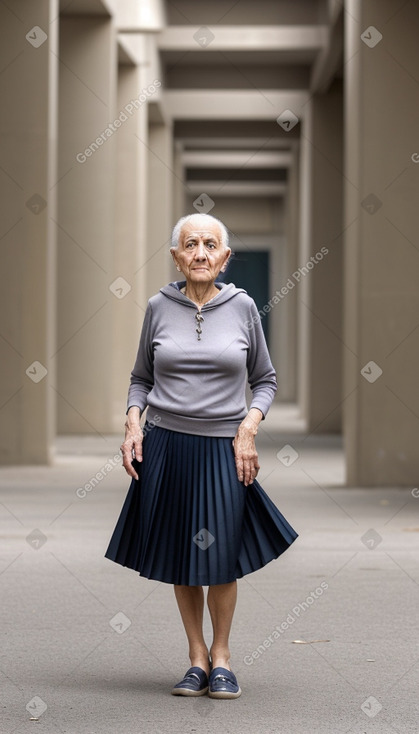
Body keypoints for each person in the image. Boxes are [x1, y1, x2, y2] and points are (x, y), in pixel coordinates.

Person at [105, 213, 298, 699]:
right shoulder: (157, 306)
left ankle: (223, 657)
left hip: (225, 448)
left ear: (225, 257)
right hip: (167, 443)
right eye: (190, 245)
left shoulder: (243, 307)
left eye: (211, 245)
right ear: (176, 255)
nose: (201, 254)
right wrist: (133, 420)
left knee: (220, 555)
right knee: (181, 554)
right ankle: (195, 658)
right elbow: (140, 378)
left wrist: (249, 426)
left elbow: (266, 380)